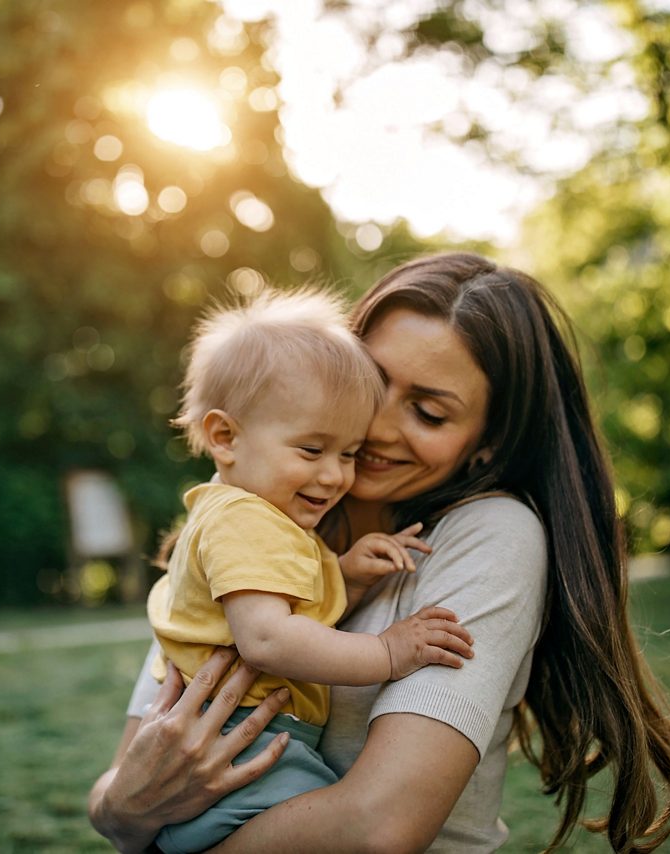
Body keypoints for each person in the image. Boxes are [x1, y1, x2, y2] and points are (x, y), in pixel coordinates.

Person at [89, 253, 670, 853]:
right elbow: (121, 791)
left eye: (429, 413)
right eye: (373, 386)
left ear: (486, 442)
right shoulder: (251, 508)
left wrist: (141, 826)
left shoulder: (490, 535)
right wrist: (124, 810)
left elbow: (379, 828)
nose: (377, 427)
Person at [148, 288, 475, 853]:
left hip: (248, 737)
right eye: (311, 449)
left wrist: (343, 576)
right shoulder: (242, 521)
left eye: (348, 453)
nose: (334, 477)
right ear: (225, 436)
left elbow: (285, 607)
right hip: (245, 742)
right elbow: (269, 638)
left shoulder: (258, 519)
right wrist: (390, 654)